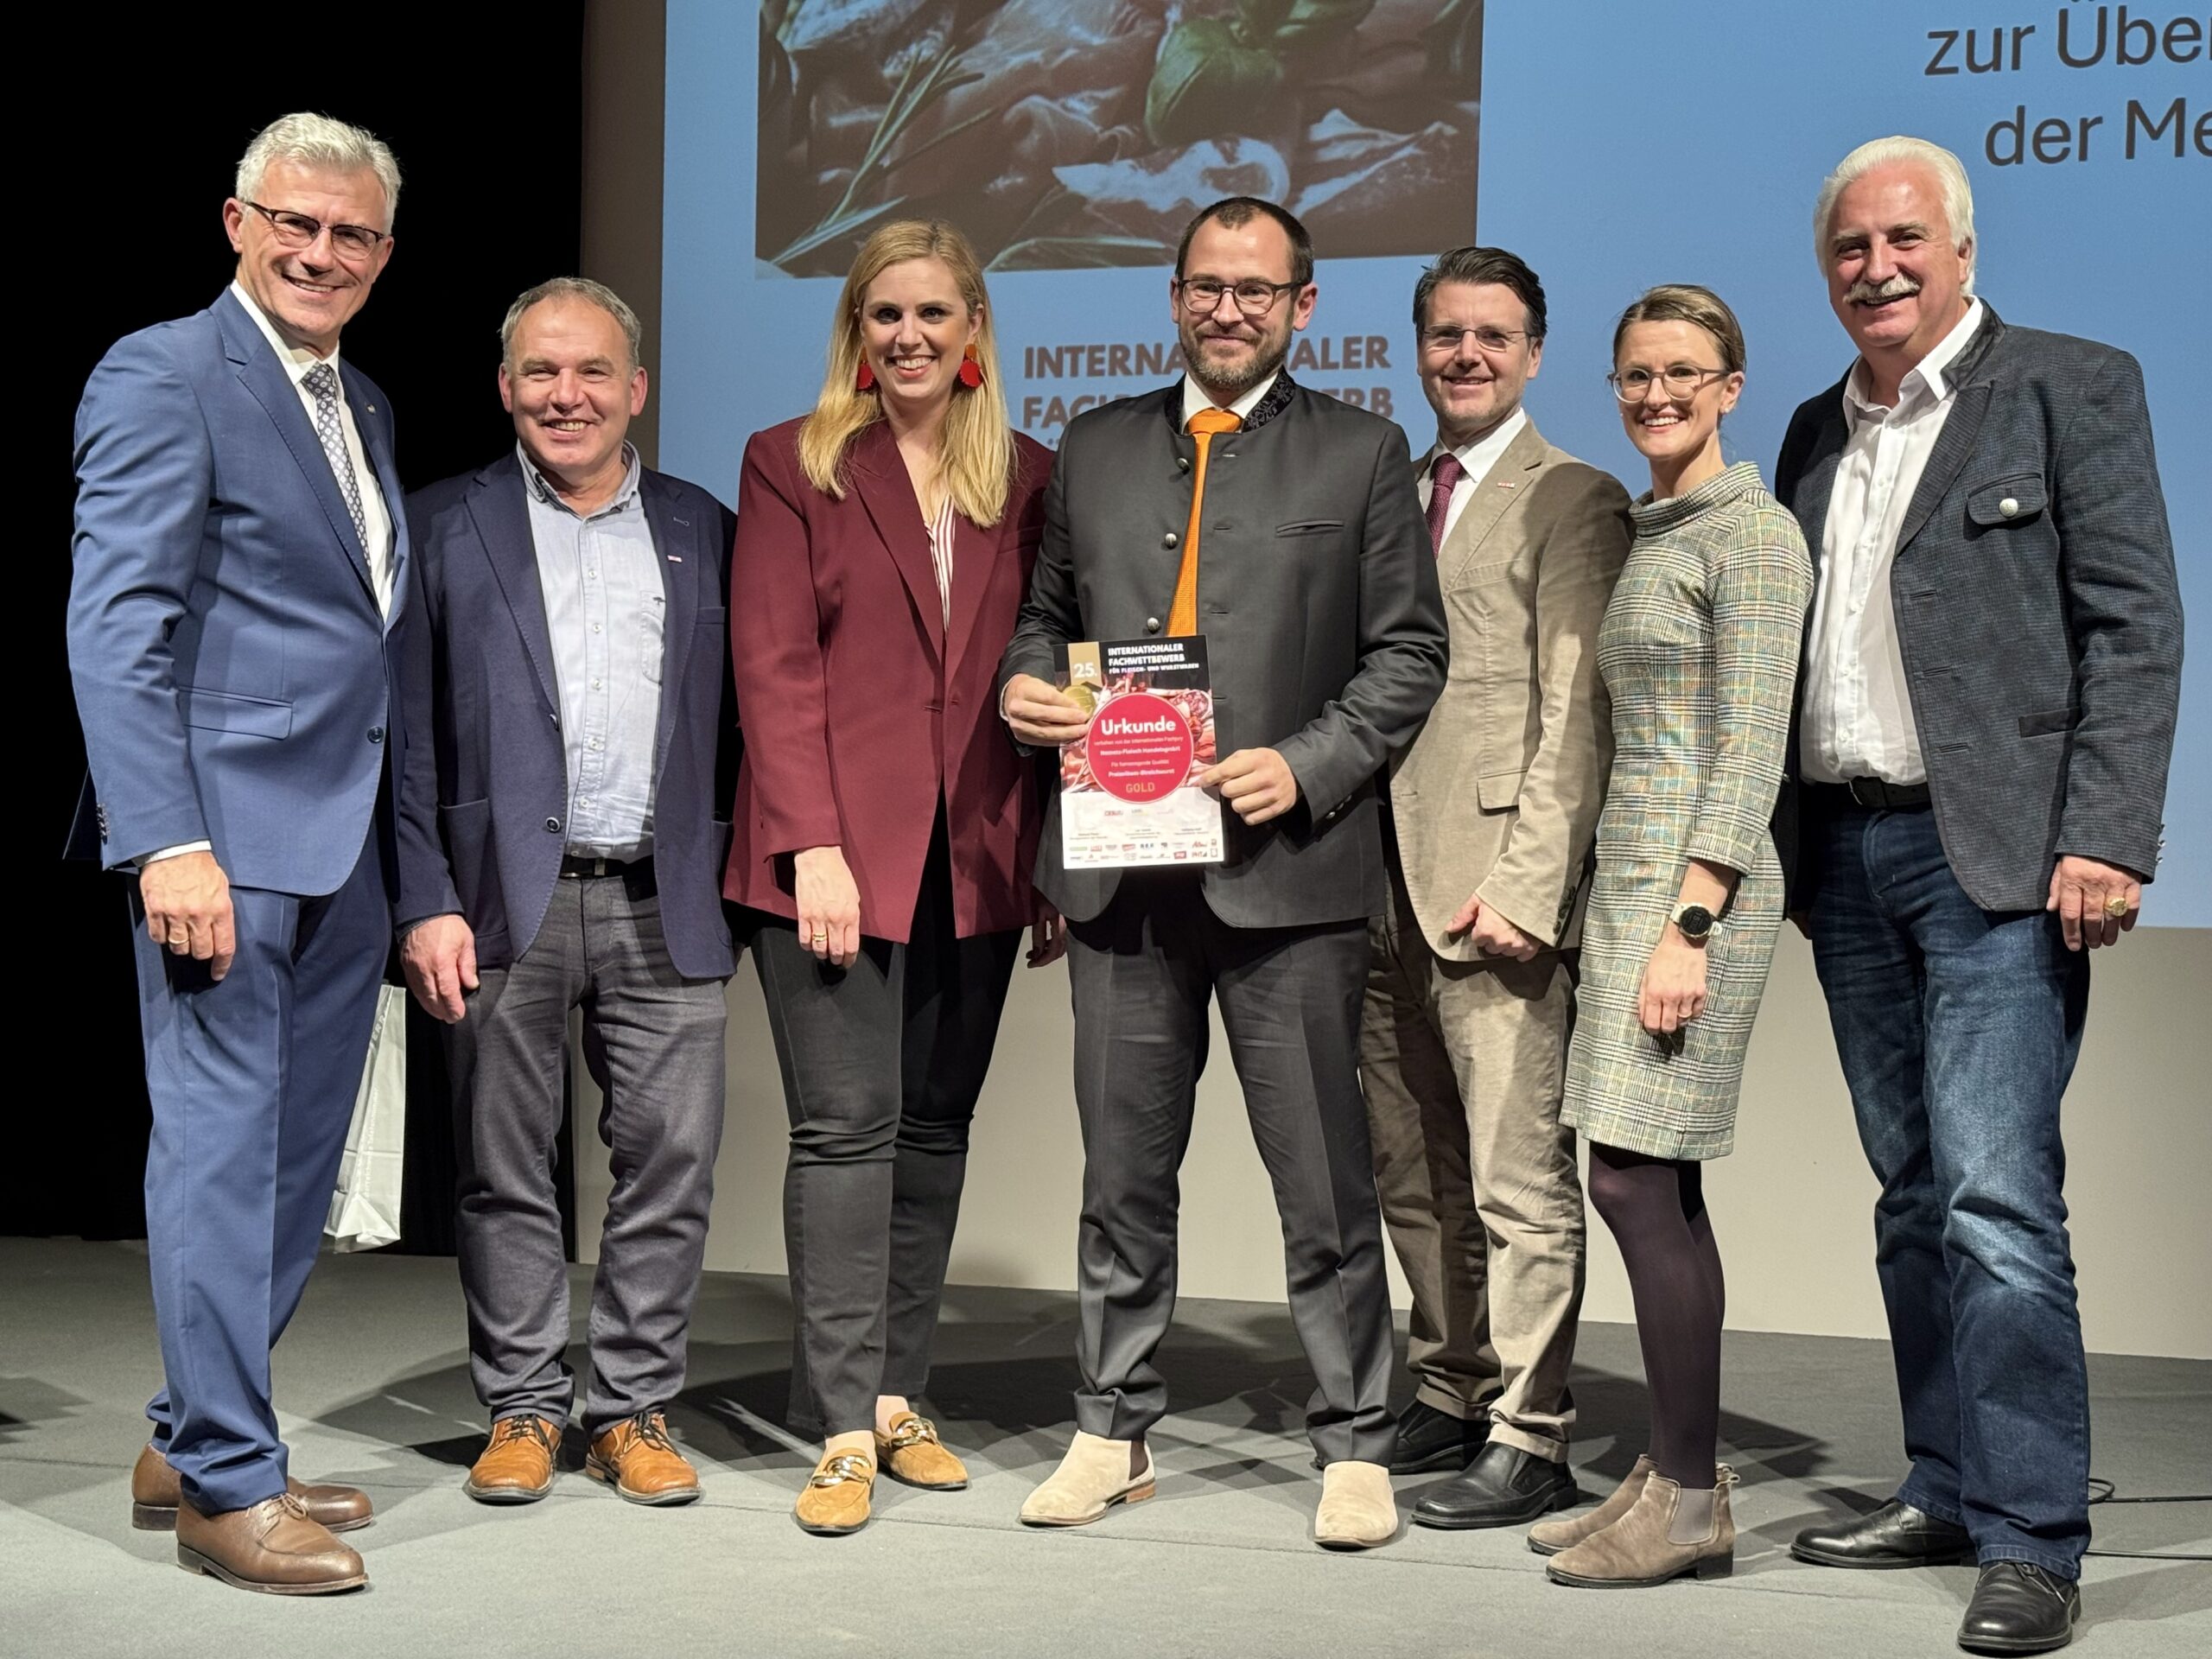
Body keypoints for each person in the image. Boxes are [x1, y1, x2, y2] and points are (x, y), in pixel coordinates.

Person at [1778, 137, 2182, 1658]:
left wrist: (2112, 834)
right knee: (1907, 1196)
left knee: (1997, 1199)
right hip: (1844, 851)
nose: (1874, 268)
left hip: (2002, 862)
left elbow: (2135, 625)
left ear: (1958, 244)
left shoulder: (2072, 382)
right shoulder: (1817, 427)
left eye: (1901, 240)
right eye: (1848, 250)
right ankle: (1944, 1484)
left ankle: (2032, 1534)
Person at [1001, 197, 1449, 1551]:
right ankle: (1112, 1428)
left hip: (1289, 874)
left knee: (1324, 1183)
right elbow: (1045, 618)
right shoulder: (1093, 446)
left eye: (1260, 291)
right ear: (1175, 295)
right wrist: (1027, 683)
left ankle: (1358, 1441)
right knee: (1121, 1178)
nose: (1231, 310)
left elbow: (1409, 655)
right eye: (1208, 286)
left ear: (1304, 306)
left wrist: (1307, 764)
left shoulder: (1365, 453)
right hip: (1123, 879)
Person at [65, 112, 407, 1594]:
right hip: (219, 846)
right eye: (297, 224)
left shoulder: (365, 401)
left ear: (384, 254)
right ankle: (222, 1486)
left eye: (354, 235)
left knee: (290, 1163)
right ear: (236, 221)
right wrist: (165, 841)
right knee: (216, 1156)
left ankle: (192, 1433)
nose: (321, 252)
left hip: (339, 847)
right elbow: (114, 626)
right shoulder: (162, 371)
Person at [727, 219, 1057, 1536]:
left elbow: (1046, 671)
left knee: (934, 1132)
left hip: (975, 860)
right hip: (829, 862)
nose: (910, 338)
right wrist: (812, 841)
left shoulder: (1030, 476)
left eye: (934, 315)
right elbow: (772, 665)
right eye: (885, 317)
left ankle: (900, 1395)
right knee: (846, 1133)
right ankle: (840, 1420)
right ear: (854, 333)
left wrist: (1041, 861)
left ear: (974, 330)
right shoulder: (790, 464)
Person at [393, 278, 739, 1510]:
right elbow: (411, 737)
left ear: (636, 390)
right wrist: (423, 897)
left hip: (666, 896)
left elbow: (749, 727)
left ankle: (635, 1406)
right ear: (505, 389)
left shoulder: (707, 527)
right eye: (541, 373)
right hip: (498, 904)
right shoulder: (442, 525)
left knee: (671, 1160)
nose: (567, 395)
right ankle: (527, 1406)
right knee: (503, 1168)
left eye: (593, 372)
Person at [1534, 286, 1811, 1588]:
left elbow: (1749, 752)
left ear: (1733, 385)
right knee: (1656, 1182)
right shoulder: (1664, 530)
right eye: (1636, 375)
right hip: (1632, 891)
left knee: (1637, 1183)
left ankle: (1691, 1493)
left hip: (1696, 898)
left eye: (1684, 373)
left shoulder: (1753, 539)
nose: (1656, 395)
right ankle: (1668, 1469)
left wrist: (1688, 925)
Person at [1365, 248, 1632, 1524]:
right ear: (1419, 348)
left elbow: (1577, 710)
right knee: (1412, 1171)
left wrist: (1531, 886)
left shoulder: (1571, 496)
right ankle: (1452, 1382)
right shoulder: (1397, 486)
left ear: (1533, 353)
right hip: (1375, 887)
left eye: (1493, 336)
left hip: (1493, 892)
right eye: (1445, 335)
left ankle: (1534, 1432)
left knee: (1517, 1182)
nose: (1465, 356)